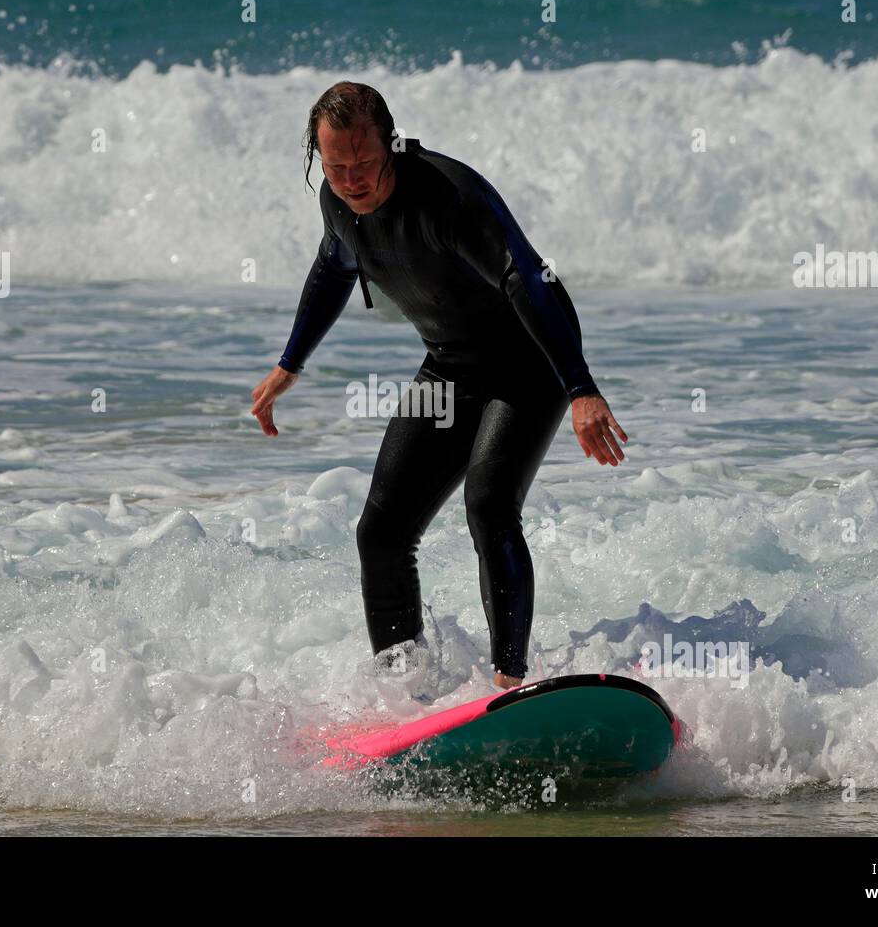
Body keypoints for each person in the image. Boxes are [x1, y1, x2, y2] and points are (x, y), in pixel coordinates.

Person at [250, 82, 627, 690]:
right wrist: (290, 363)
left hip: (528, 363)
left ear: (391, 146)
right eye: (336, 166)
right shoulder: (338, 203)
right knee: (381, 531)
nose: (352, 179)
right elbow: (334, 265)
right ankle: (404, 684)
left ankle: (510, 680)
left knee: (489, 506)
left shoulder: (448, 197)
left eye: (366, 163)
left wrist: (580, 388)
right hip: (450, 367)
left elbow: (526, 276)